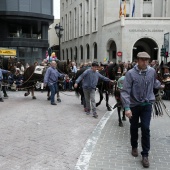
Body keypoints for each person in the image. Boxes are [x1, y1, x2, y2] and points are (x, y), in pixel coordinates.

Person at [120, 52, 164, 168]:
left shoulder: (152, 72)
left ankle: (145, 154)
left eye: (147, 60)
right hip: (134, 105)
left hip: (147, 104)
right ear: (137, 60)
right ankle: (134, 146)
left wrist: (162, 85)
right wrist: (127, 108)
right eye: (142, 60)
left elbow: (155, 83)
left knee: (145, 128)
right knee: (134, 127)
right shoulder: (130, 74)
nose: (145, 62)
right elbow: (125, 91)